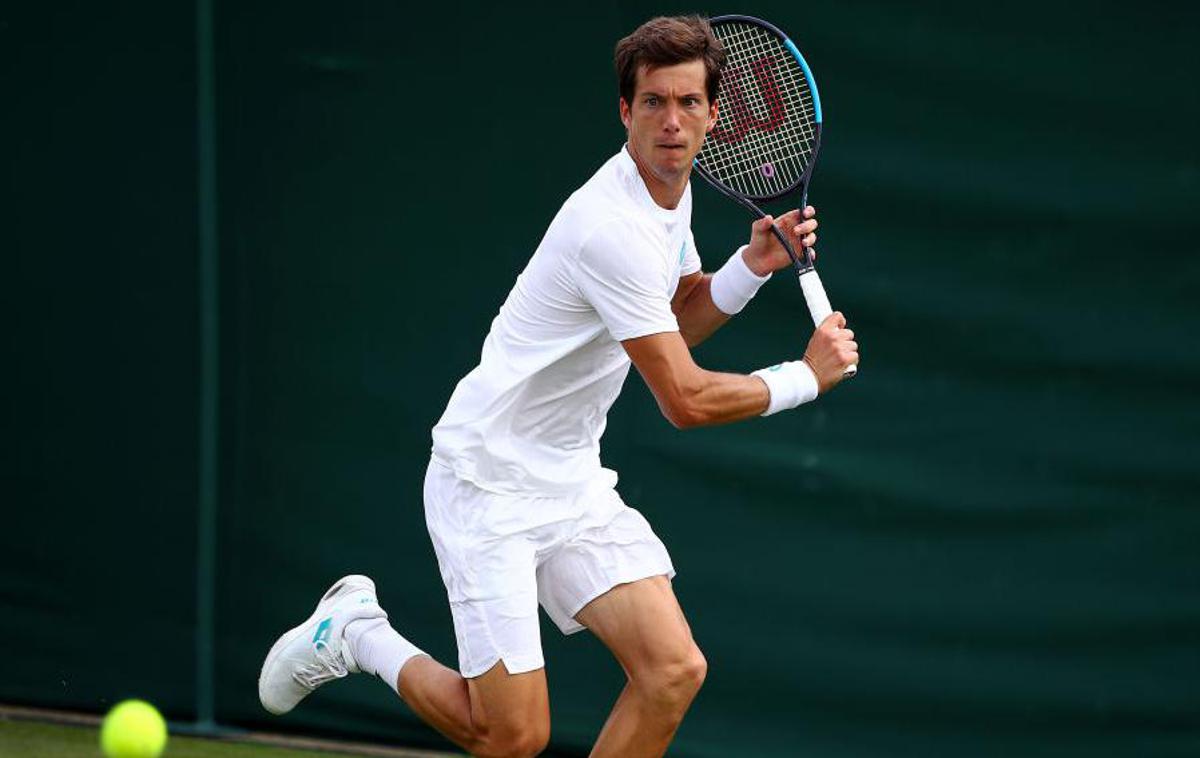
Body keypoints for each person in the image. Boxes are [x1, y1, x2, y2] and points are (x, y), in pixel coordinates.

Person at [258, 15, 858, 758]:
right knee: (511, 736)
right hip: (488, 480)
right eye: (652, 104)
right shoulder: (608, 226)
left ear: (713, 112)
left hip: (567, 480)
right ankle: (356, 633)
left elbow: (672, 320)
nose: (672, 122)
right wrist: (805, 376)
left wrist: (747, 268)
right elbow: (683, 399)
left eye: (689, 104)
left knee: (671, 672)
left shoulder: (671, 196)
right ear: (624, 111)